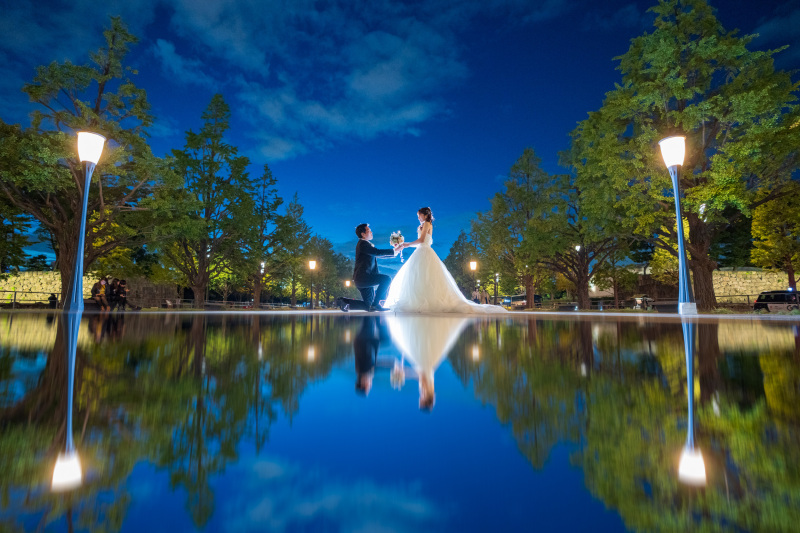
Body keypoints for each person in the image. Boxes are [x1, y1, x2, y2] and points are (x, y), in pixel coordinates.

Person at [384, 208, 507, 314]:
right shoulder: (422, 226)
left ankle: (424, 301)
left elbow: (421, 240)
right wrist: (404, 245)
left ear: (425, 215)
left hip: (424, 252)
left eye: (419, 215)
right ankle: (419, 301)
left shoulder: (427, 224)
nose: (418, 217)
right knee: (419, 277)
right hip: (420, 251)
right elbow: (419, 242)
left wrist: (406, 244)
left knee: (424, 276)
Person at [337, 223, 401, 312]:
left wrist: (395, 252)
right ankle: (376, 304)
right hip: (363, 278)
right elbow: (377, 252)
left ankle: (344, 301)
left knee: (368, 306)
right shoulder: (363, 244)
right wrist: (394, 251)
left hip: (363, 280)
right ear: (363, 234)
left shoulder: (364, 244)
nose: (371, 232)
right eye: (369, 230)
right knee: (386, 279)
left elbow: (377, 254)